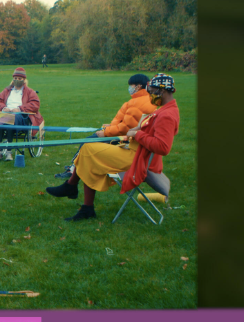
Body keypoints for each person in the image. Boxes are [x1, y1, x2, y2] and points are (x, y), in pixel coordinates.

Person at [45, 73, 179, 221]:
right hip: (135, 152)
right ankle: (82, 202)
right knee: (89, 153)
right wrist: (136, 131)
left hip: (137, 159)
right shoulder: (164, 109)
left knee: (88, 149)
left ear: (163, 91)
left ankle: (75, 191)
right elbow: (143, 128)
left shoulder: (167, 114)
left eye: (153, 92)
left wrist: (137, 135)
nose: (150, 95)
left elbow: (163, 147)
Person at [55, 74, 157, 179]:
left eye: (131, 85)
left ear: (139, 86)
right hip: (127, 137)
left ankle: (73, 171)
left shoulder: (137, 102)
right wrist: (110, 126)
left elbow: (125, 128)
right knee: (90, 140)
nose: (130, 88)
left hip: (125, 140)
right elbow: (126, 121)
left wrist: (106, 132)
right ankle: (74, 168)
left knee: (88, 142)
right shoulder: (141, 100)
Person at [0, 67, 44, 161]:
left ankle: (8, 151)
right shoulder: (7, 90)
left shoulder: (29, 92)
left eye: (19, 79)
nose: (17, 80)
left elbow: (35, 104)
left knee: (9, 119)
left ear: (24, 80)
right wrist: (3, 107)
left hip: (21, 115)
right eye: (15, 78)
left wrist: (20, 108)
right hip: (6, 113)